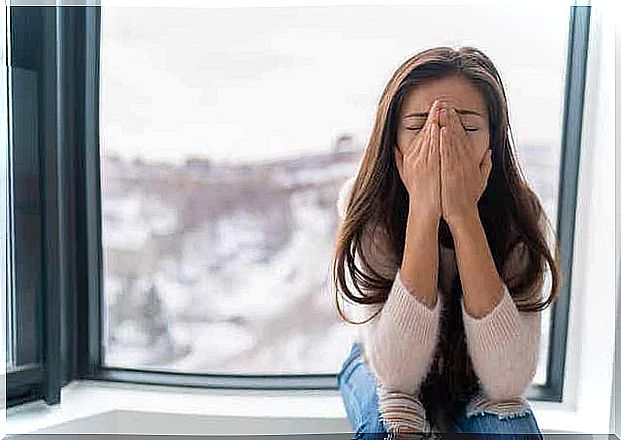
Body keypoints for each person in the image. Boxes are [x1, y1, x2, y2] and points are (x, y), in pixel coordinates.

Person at [331, 46, 562, 439]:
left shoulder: (521, 211)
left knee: (513, 430)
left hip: (476, 376)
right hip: (381, 362)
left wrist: (462, 214)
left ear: (494, 139)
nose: (442, 143)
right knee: (395, 426)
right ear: (393, 140)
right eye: (419, 126)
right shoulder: (366, 202)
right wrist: (423, 209)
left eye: (467, 128)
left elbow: (506, 381)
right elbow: (397, 374)